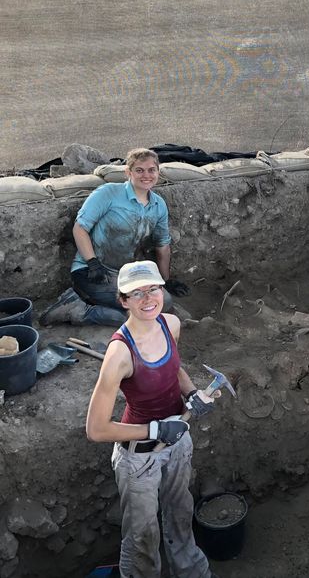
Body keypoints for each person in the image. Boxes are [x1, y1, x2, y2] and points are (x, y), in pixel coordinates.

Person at [86, 260, 217, 578]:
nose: (148, 299)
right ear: (123, 300)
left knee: (180, 514)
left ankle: (191, 573)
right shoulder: (120, 353)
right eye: (137, 293)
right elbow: (96, 428)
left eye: (154, 289)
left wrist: (192, 395)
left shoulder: (170, 324)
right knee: (142, 537)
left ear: (163, 290)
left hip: (178, 441)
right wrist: (155, 428)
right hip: (139, 457)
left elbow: (174, 368)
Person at [40, 148, 189, 327]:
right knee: (136, 316)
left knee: (164, 302)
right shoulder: (108, 193)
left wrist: (165, 280)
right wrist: (92, 262)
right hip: (93, 273)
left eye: (151, 170)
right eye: (139, 170)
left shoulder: (158, 205)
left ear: (158, 172)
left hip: (125, 274)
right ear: (128, 172)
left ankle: (99, 303)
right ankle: (77, 309)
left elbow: (162, 245)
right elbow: (80, 228)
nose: (146, 175)